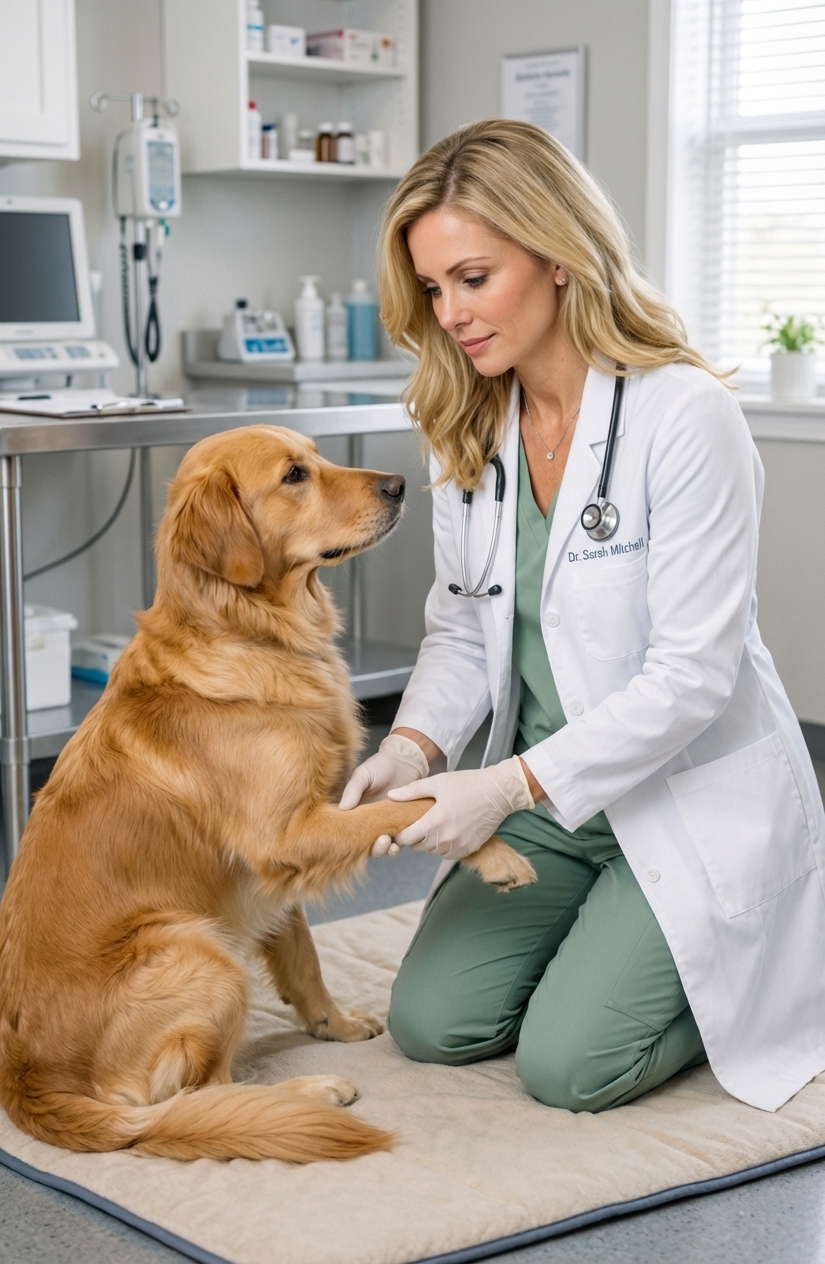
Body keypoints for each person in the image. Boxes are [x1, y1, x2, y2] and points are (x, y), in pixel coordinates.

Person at [338, 119, 825, 1115]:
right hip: (555, 812)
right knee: (435, 1025)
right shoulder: (472, 422)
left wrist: (505, 783)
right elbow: (464, 628)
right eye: (434, 289)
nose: (453, 313)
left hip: (682, 795)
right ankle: (614, 936)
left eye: (474, 277)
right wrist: (416, 748)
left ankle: (769, 969)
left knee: (570, 1066)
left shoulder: (685, 416)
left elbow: (693, 674)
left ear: (557, 254)